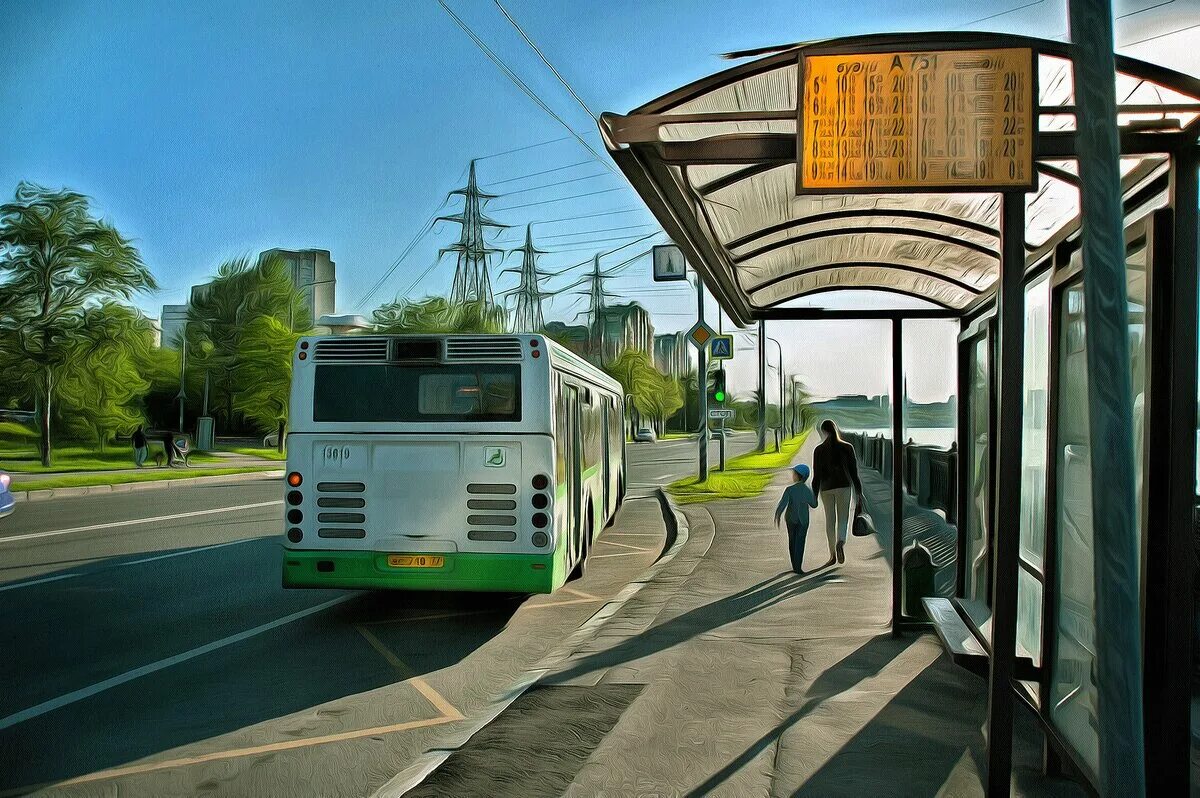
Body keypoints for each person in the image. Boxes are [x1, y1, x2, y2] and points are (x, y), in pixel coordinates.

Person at [812, 419, 864, 566]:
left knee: (830, 520)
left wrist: (814, 496)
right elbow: (854, 473)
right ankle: (840, 541)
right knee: (843, 518)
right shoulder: (848, 447)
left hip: (826, 489)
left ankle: (832, 555)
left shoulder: (819, 450)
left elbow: (816, 477)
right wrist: (859, 492)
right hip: (844, 487)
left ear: (823, 432)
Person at [775, 463, 819, 575]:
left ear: (799, 476)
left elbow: (782, 505)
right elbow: (814, 504)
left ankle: (794, 565)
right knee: (800, 542)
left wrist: (778, 515)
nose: (792, 476)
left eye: (794, 474)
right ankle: (798, 566)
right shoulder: (807, 490)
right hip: (803, 521)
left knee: (792, 541)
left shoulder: (789, 490)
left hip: (790, 519)